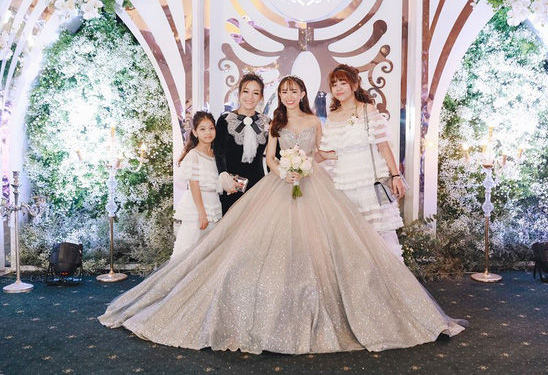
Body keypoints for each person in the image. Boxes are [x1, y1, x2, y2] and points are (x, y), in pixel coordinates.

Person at [98, 75, 465, 354]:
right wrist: (284, 171)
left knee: (319, 245)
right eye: (284, 91)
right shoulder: (274, 123)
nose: (289, 96)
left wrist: (320, 163)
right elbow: (269, 157)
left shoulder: (316, 122)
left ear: (303, 93)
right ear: (279, 96)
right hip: (278, 185)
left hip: (314, 185)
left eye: (294, 91)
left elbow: (319, 151)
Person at [320, 64, 406, 261]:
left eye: (343, 83)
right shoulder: (332, 116)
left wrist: (395, 176)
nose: (338, 88)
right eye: (334, 84)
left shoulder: (367, 109)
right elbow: (329, 152)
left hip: (369, 182)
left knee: (379, 235)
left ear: (354, 85)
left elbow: (383, 145)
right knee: (351, 238)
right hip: (344, 183)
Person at [170, 112, 225, 260]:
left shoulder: (216, 154)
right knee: (189, 250)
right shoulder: (193, 155)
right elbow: (194, 186)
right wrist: (202, 213)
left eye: (211, 128)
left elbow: (215, 181)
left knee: (207, 253)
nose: (208, 132)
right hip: (198, 208)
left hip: (214, 205)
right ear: (195, 132)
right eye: (202, 129)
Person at [213, 73, 271, 214]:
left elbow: (273, 155)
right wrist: (223, 174)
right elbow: (218, 152)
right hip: (231, 186)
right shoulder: (225, 120)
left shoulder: (267, 122)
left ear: (261, 97)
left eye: (255, 93)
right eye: (246, 91)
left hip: (257, 186)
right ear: (239, 93)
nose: (250, 97)